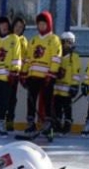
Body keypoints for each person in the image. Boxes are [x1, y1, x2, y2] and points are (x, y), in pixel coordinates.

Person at [22, 10, 62, 140]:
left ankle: (48, 125)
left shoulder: (54, 39)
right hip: (33, 76)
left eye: (44, 24)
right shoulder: (33, 40)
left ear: (49, 25)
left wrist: (51, 74)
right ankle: (31, 123)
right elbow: (28, 58)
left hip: (47, 77)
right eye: (39, 24)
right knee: (31, 101)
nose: (41, 26)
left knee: (47, 101)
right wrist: (24, 73)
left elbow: (56, 58)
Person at [51, 30, 82, 135]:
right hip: (57, 89)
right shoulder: (58, 56)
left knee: (67, 108)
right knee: (57, 107)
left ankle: (67, 124)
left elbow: (76, 73)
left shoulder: (74, 58)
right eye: (65, 42)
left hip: (68, 90)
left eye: (70, 42)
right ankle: (57, 124)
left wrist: (74, 86)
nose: (67, 45)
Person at [4, 16, 28, 131]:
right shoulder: (7, 38)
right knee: (2, 97)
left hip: (16, 74)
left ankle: (9, 120)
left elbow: (26, 58)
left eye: (21, 27)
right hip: (4, 73)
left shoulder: (24, 41)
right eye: (17, 26)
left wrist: (23, 74)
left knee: (12, 98)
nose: (18, 29)